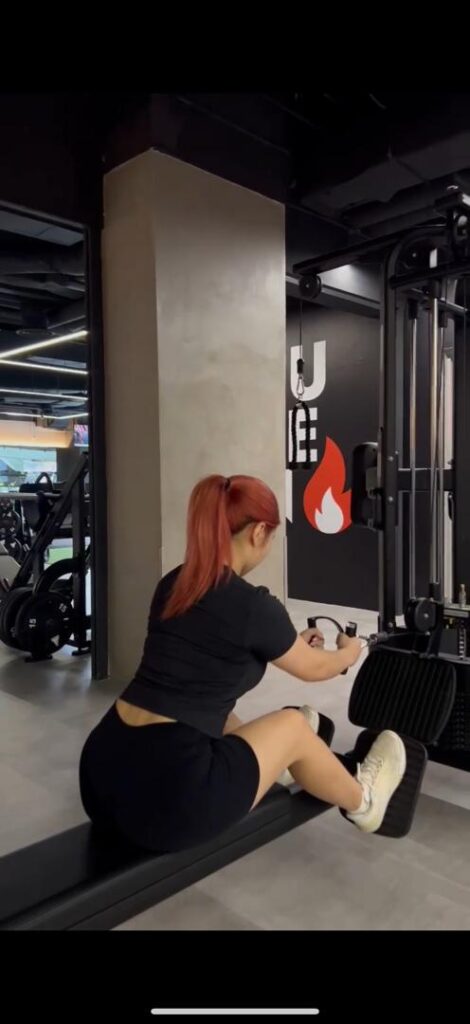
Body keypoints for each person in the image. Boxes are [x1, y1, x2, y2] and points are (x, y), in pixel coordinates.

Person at [79, 474, 406, 853]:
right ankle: (364, 801)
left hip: (101, 776)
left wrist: (288, 642)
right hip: (170, 802)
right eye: (271, 537)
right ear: (258, 532)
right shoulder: (252, 605)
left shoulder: (174, 584)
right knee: (295, 726)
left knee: (219, 708)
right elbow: (317, 669)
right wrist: (350, 651)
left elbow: (212, 657)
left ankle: (274, 760)